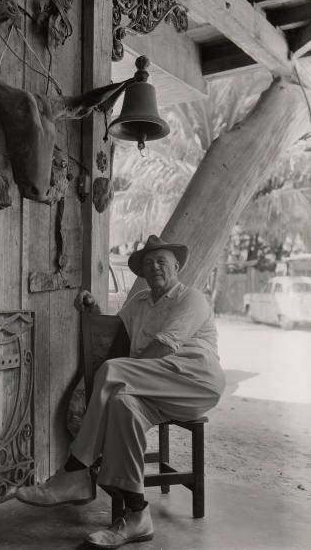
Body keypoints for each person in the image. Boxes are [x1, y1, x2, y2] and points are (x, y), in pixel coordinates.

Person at [15, 235, 226, 548]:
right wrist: (93, 308)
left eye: (162, 261)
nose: (155, 267)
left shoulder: (190, 298)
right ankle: (137, 515)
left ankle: (75, 471)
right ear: (141, 271)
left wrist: (124, 374)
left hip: (195, 381)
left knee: (114, 371)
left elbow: (159, 350)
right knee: (122, 406)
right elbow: (114, 329)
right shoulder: (139, 303)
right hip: (156, 388)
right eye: (148, 262)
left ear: (177, 266)